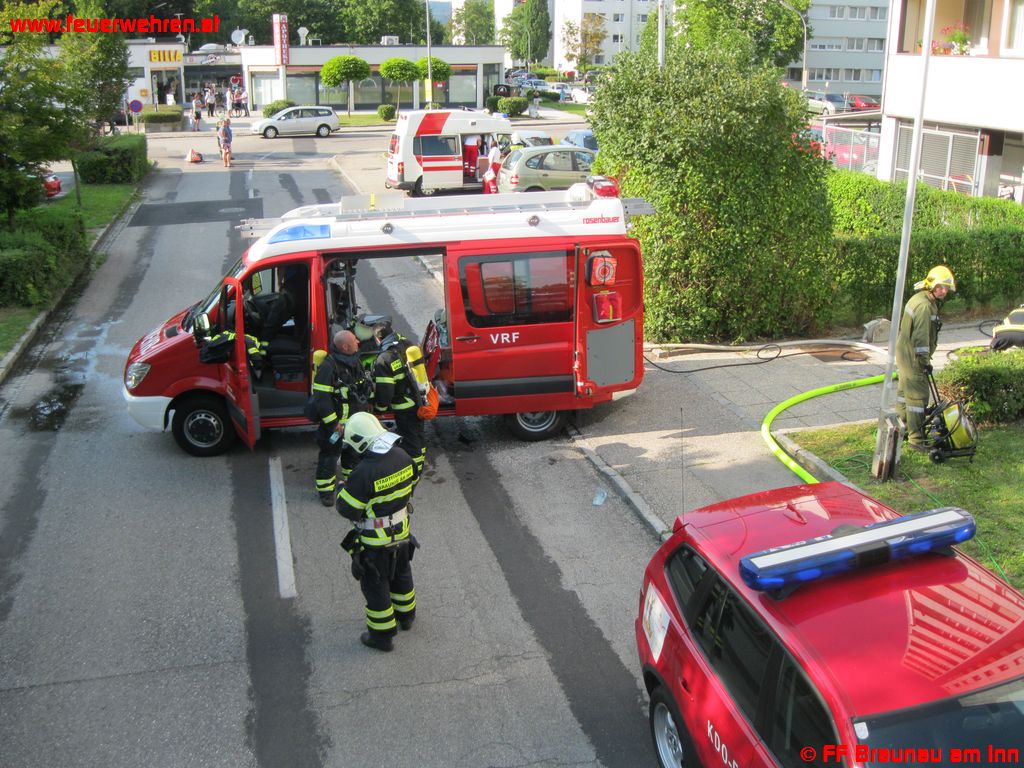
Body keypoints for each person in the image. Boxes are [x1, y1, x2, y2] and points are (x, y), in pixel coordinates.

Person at [337, 412, 418, 652]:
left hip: (375, 543)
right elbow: (412, 482)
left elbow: (347, 509)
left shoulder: (363, 473)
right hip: (402, 534)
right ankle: (407, 616)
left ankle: (381, 637)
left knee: (376, 585)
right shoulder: (403, 456)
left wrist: (342, 489)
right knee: (402, 573)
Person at [895, 265, 956, 450]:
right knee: (917, 398)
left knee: (904, 393)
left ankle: (901, 429)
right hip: (914, 358)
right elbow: (920, 338)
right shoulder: (924, 307)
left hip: (905, 354)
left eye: (946, 287)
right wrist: (924, 362)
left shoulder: (922, 299)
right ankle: (917, 440)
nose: (944, 291)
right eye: (940, 287)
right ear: (931, 285)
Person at [312, 330, 372, 506]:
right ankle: (326, 493)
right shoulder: (328, 367)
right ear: (345, 346)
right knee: (329, 457)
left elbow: (361, 387)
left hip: (354, 424)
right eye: (355, 340)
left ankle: (351, 486)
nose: (358, 343)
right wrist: (334, 424)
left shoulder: (355, 361)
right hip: (336, 427)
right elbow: (322, 400)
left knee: (353, 456)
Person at [371, 321, 426, 484]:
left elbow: (385, 392)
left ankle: (413, 474)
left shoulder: (384, 358)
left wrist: (379, 410)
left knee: (410, 441)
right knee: (418, 437)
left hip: (404, 408)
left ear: (378, 339)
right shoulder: (406, 344)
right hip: (419, 401)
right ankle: (420, 464)